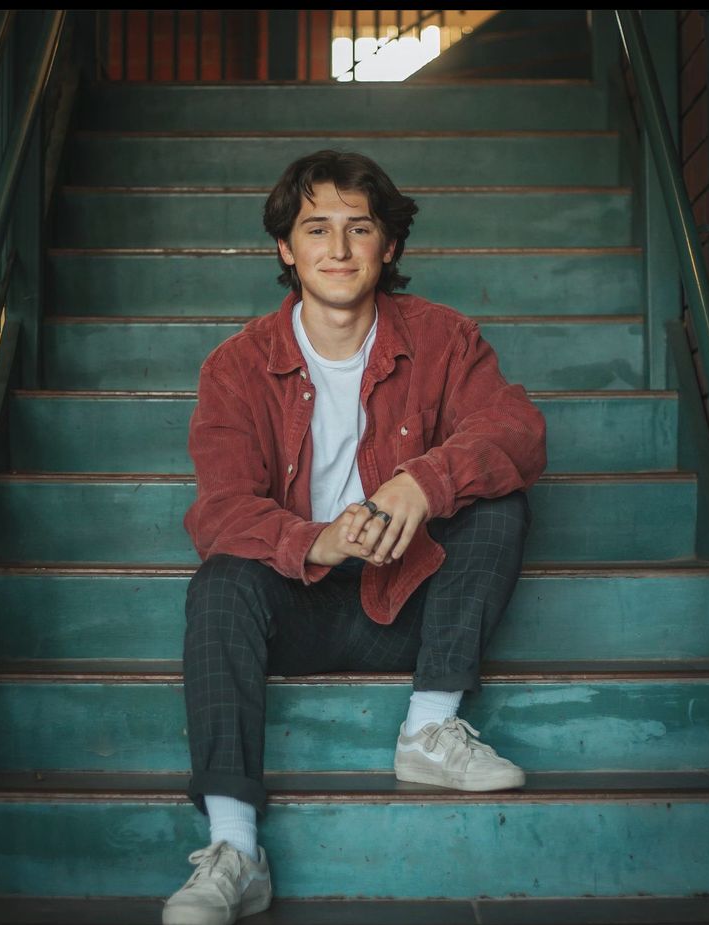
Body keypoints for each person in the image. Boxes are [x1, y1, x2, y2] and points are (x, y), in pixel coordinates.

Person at [162, 150, 547, 925]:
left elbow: (517, 432)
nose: (338, 250)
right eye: (316, 228)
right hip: (296, 607)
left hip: (409, 601)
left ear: (389, 246)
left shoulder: (444, 339)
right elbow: (221, 510)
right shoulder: (236, 366)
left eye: (359, 228)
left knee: (496, 500)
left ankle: (429, 726)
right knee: (220, 583)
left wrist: (424, 480)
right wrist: (318, 540)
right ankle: (236, 848)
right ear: (285, 248)